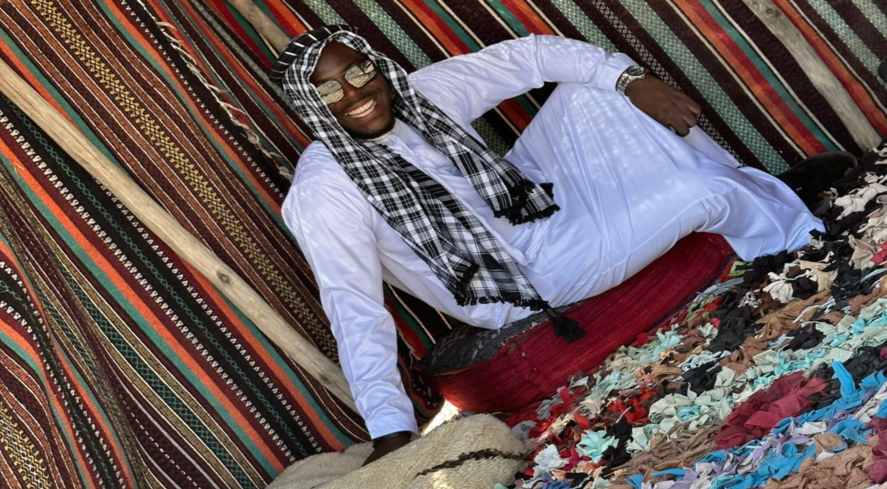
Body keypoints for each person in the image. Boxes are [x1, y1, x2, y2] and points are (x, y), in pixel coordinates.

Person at [271, 24, 854, 464]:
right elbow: (353, 306)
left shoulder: (418, 94)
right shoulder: (323, 191)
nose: (354, 94)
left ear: (374, 65)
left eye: (357, 73)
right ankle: (796, 237)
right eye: (327, 91)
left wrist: (632, 80)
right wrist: (390, 429)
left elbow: (529, 55)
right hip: (521, 278)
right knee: (705, 194)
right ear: (307, 107)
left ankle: (761, 194)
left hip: (530, 202)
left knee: (594, 93)